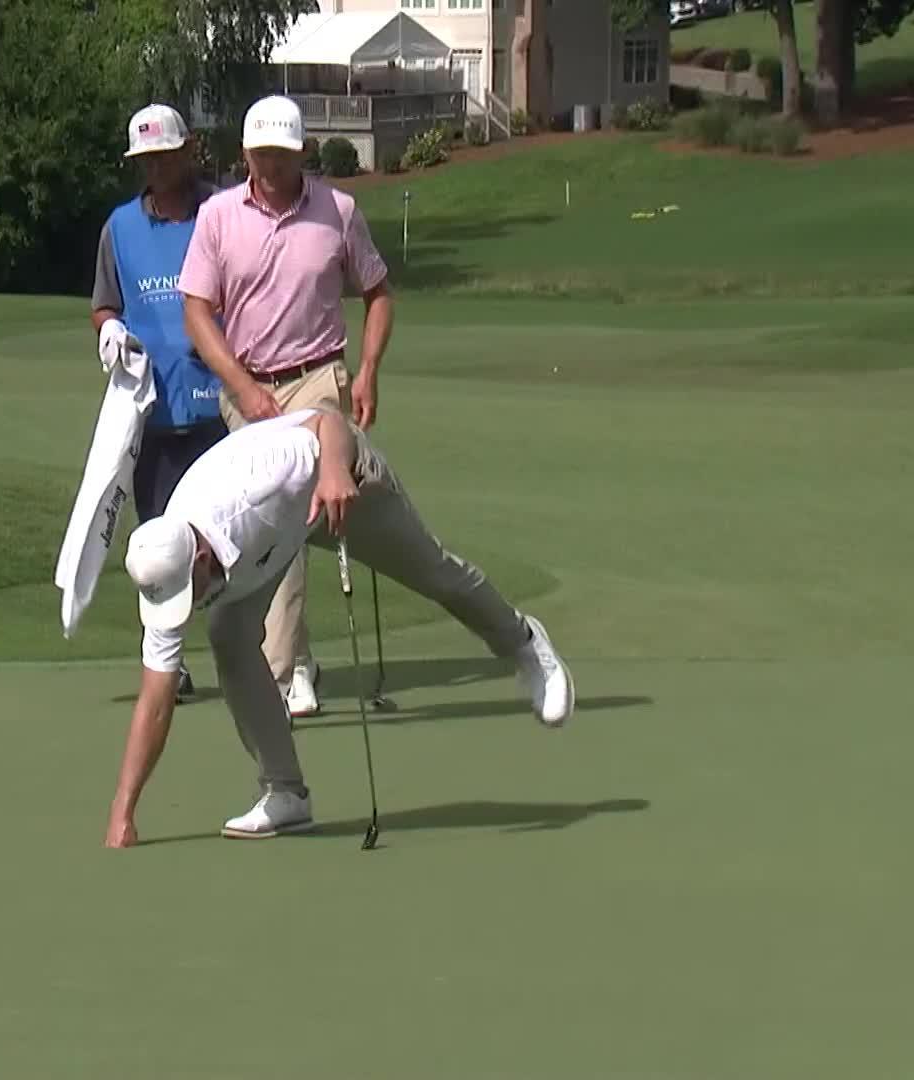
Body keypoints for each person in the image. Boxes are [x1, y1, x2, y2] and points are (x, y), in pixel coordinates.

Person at [101, 406, 574, 849]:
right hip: (277, 535)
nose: (188, 605)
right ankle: (286, 792)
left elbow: (329, 424)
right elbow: (156, 698)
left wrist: (332, 473)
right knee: (228, 634)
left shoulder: (253, 487)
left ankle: (525, 644)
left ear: (200, 557)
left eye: (191, 588)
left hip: (332, 477)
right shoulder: (163, 571)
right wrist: (124, 811)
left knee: (433, 572)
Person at [178, 94, 398, 721]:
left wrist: (371, 371)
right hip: (248, 387)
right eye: (261, 154)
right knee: (265, 521)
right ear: (245, 152)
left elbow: (378, 295)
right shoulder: (219, 216)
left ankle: (279, 675)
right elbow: (197, 310)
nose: (271, 166)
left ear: (303, 150)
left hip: (319, 379)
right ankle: (295, 659)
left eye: (282, 153)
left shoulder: (339, 211)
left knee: (295, 506)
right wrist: (242, 386)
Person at [90, 103, 225, 702]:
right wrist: (109, 333)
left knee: (229, 545)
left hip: (220, 405)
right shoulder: (119, 227)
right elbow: (105, 303)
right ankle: (169, 665)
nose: (154, 168)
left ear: (187, 150)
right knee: (156, 545)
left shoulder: (222, 214)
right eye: (144, 160)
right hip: (152, 410)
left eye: (162, 156)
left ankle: (270, 660)